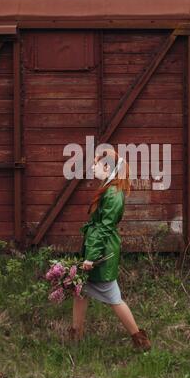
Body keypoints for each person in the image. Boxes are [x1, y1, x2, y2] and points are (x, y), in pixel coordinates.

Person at [67, 148, 151, 351]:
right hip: (97, 248)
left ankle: (140, 340)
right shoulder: (108, 187)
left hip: (103, 252)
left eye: (96, 164)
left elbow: (104, 228)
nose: (93, 167)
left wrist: (91, 257)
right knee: (80, 291)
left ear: (107, 166)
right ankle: (75, 336)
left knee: (113, 297)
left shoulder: (113, 193)